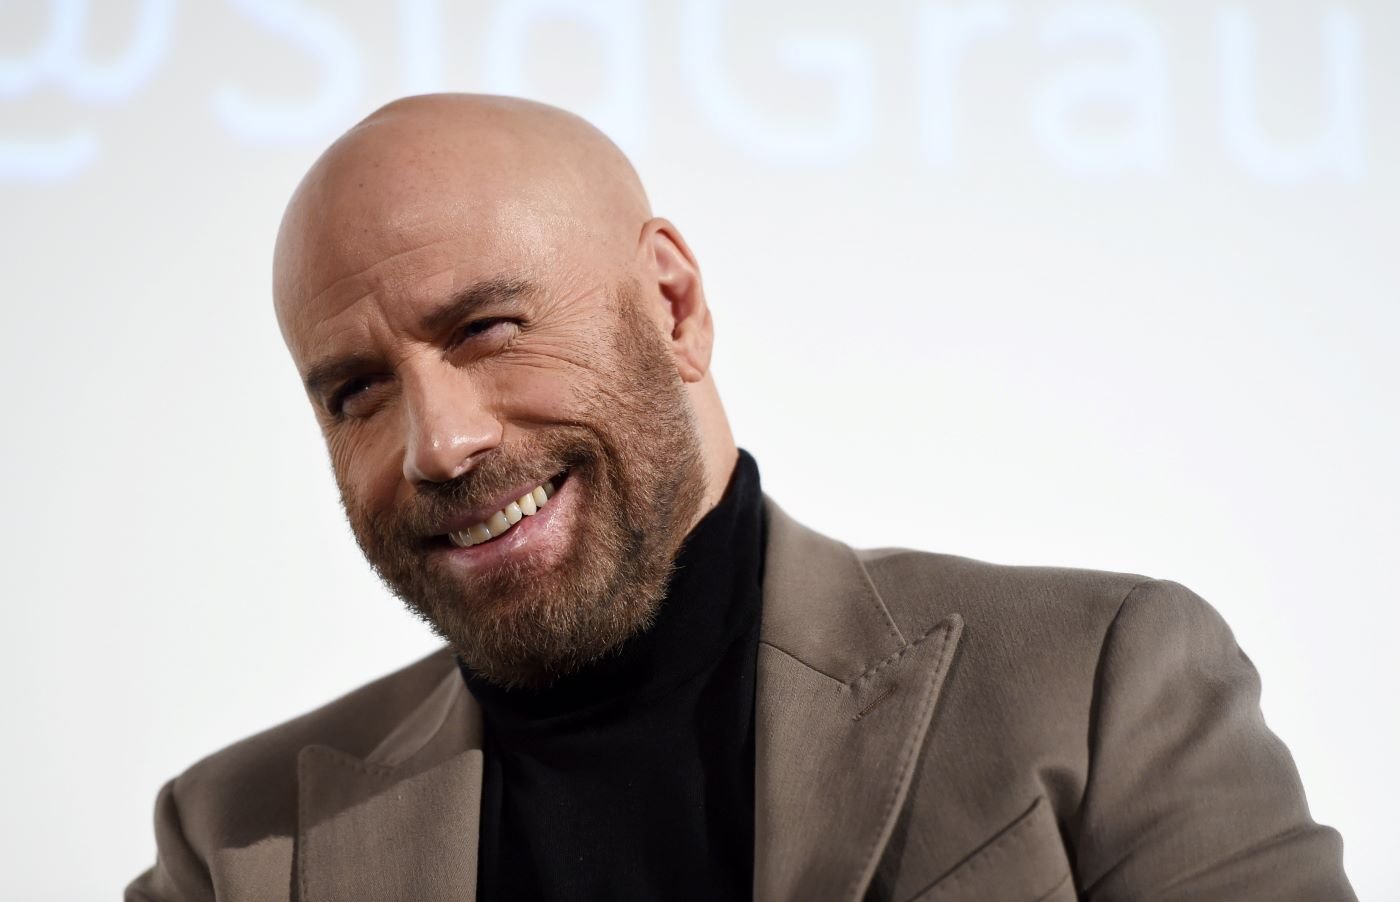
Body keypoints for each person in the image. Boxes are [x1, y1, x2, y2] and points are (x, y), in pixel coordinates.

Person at [126, 94, 1354, 902]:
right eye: (354, 393)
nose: (438, 443)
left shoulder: (1095, 682)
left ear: (670, 304)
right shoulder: (234, 845)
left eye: (488, 327)